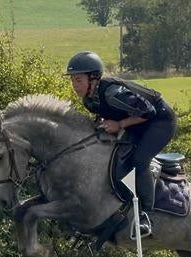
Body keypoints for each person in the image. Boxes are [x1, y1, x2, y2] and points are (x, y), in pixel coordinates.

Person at [66, 51, 177, 238]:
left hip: (160, 121)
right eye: (73, 81)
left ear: (93, 79)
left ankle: (146, 216)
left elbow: (148, 112)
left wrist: (118, 125)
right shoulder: (89, 100)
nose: (74, 85)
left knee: (139, 160)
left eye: (78, 80)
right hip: (139, 123)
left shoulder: (111, 93)